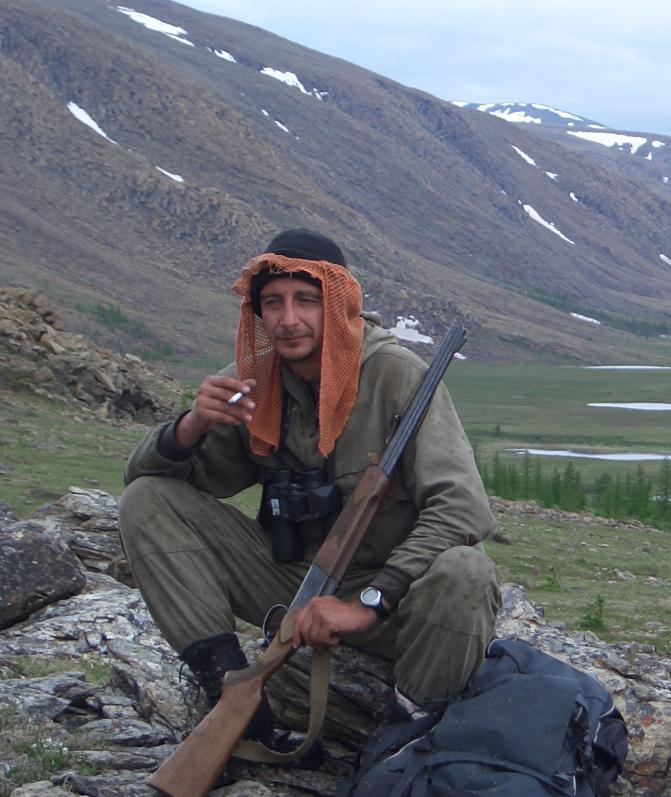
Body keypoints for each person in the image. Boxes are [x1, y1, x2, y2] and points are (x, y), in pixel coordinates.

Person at [119, 229, 500, 750]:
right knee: (147, 500)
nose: (288, 319)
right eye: (273, 303)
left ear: (338, 304)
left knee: (468, 571)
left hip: (394, 598)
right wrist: (189, 428)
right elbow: (156, 481)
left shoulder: (397, 375)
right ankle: (235, 702)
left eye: (306, 300)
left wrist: (369, 600)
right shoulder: (251, 381)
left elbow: (463, 507)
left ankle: (407, 739)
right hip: (293, 587)